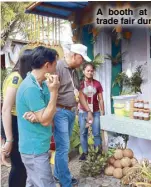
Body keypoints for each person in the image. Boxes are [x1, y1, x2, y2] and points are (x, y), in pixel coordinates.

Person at [16, 46, 59, 187]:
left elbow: (51, 113)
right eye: (55, 64)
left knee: (33, 183)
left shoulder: (42, 85)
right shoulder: (31, 88)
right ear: (47, 65)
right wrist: (54, 93)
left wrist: (39, 116)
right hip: (34, 149)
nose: (55, 69)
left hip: (39, 146)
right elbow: (46, 120)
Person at [53, 44, 93, 187]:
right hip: (60, 112)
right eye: (81, 58)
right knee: (63, 148)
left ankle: (58, 175)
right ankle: (65, 181)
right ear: (74, 55)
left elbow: (79, 93)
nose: (82, 62)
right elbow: (50, 91)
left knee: (63, 146)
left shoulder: (74, 71)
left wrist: (88, 110)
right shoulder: (58, 67)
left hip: (70, 112)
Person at [1, 49, 33, 187]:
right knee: (18, 165)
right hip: (12, 122)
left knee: (22, 164)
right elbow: (6, 109)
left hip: (17, 122)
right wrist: (9, 139)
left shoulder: (22, 76)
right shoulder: (17, 78)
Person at [78, 63, 105, 161]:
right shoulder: (80, 84)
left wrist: (103, 111)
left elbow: (101, 99)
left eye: (91, 71)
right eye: (88, 70)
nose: (90, 72)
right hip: (83, 112)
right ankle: (85, 153)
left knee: (96, 133)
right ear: (83, 71)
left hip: (96, 112)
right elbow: (77, 97)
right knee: (83, 133)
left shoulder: (97, 84)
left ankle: (98, 152)